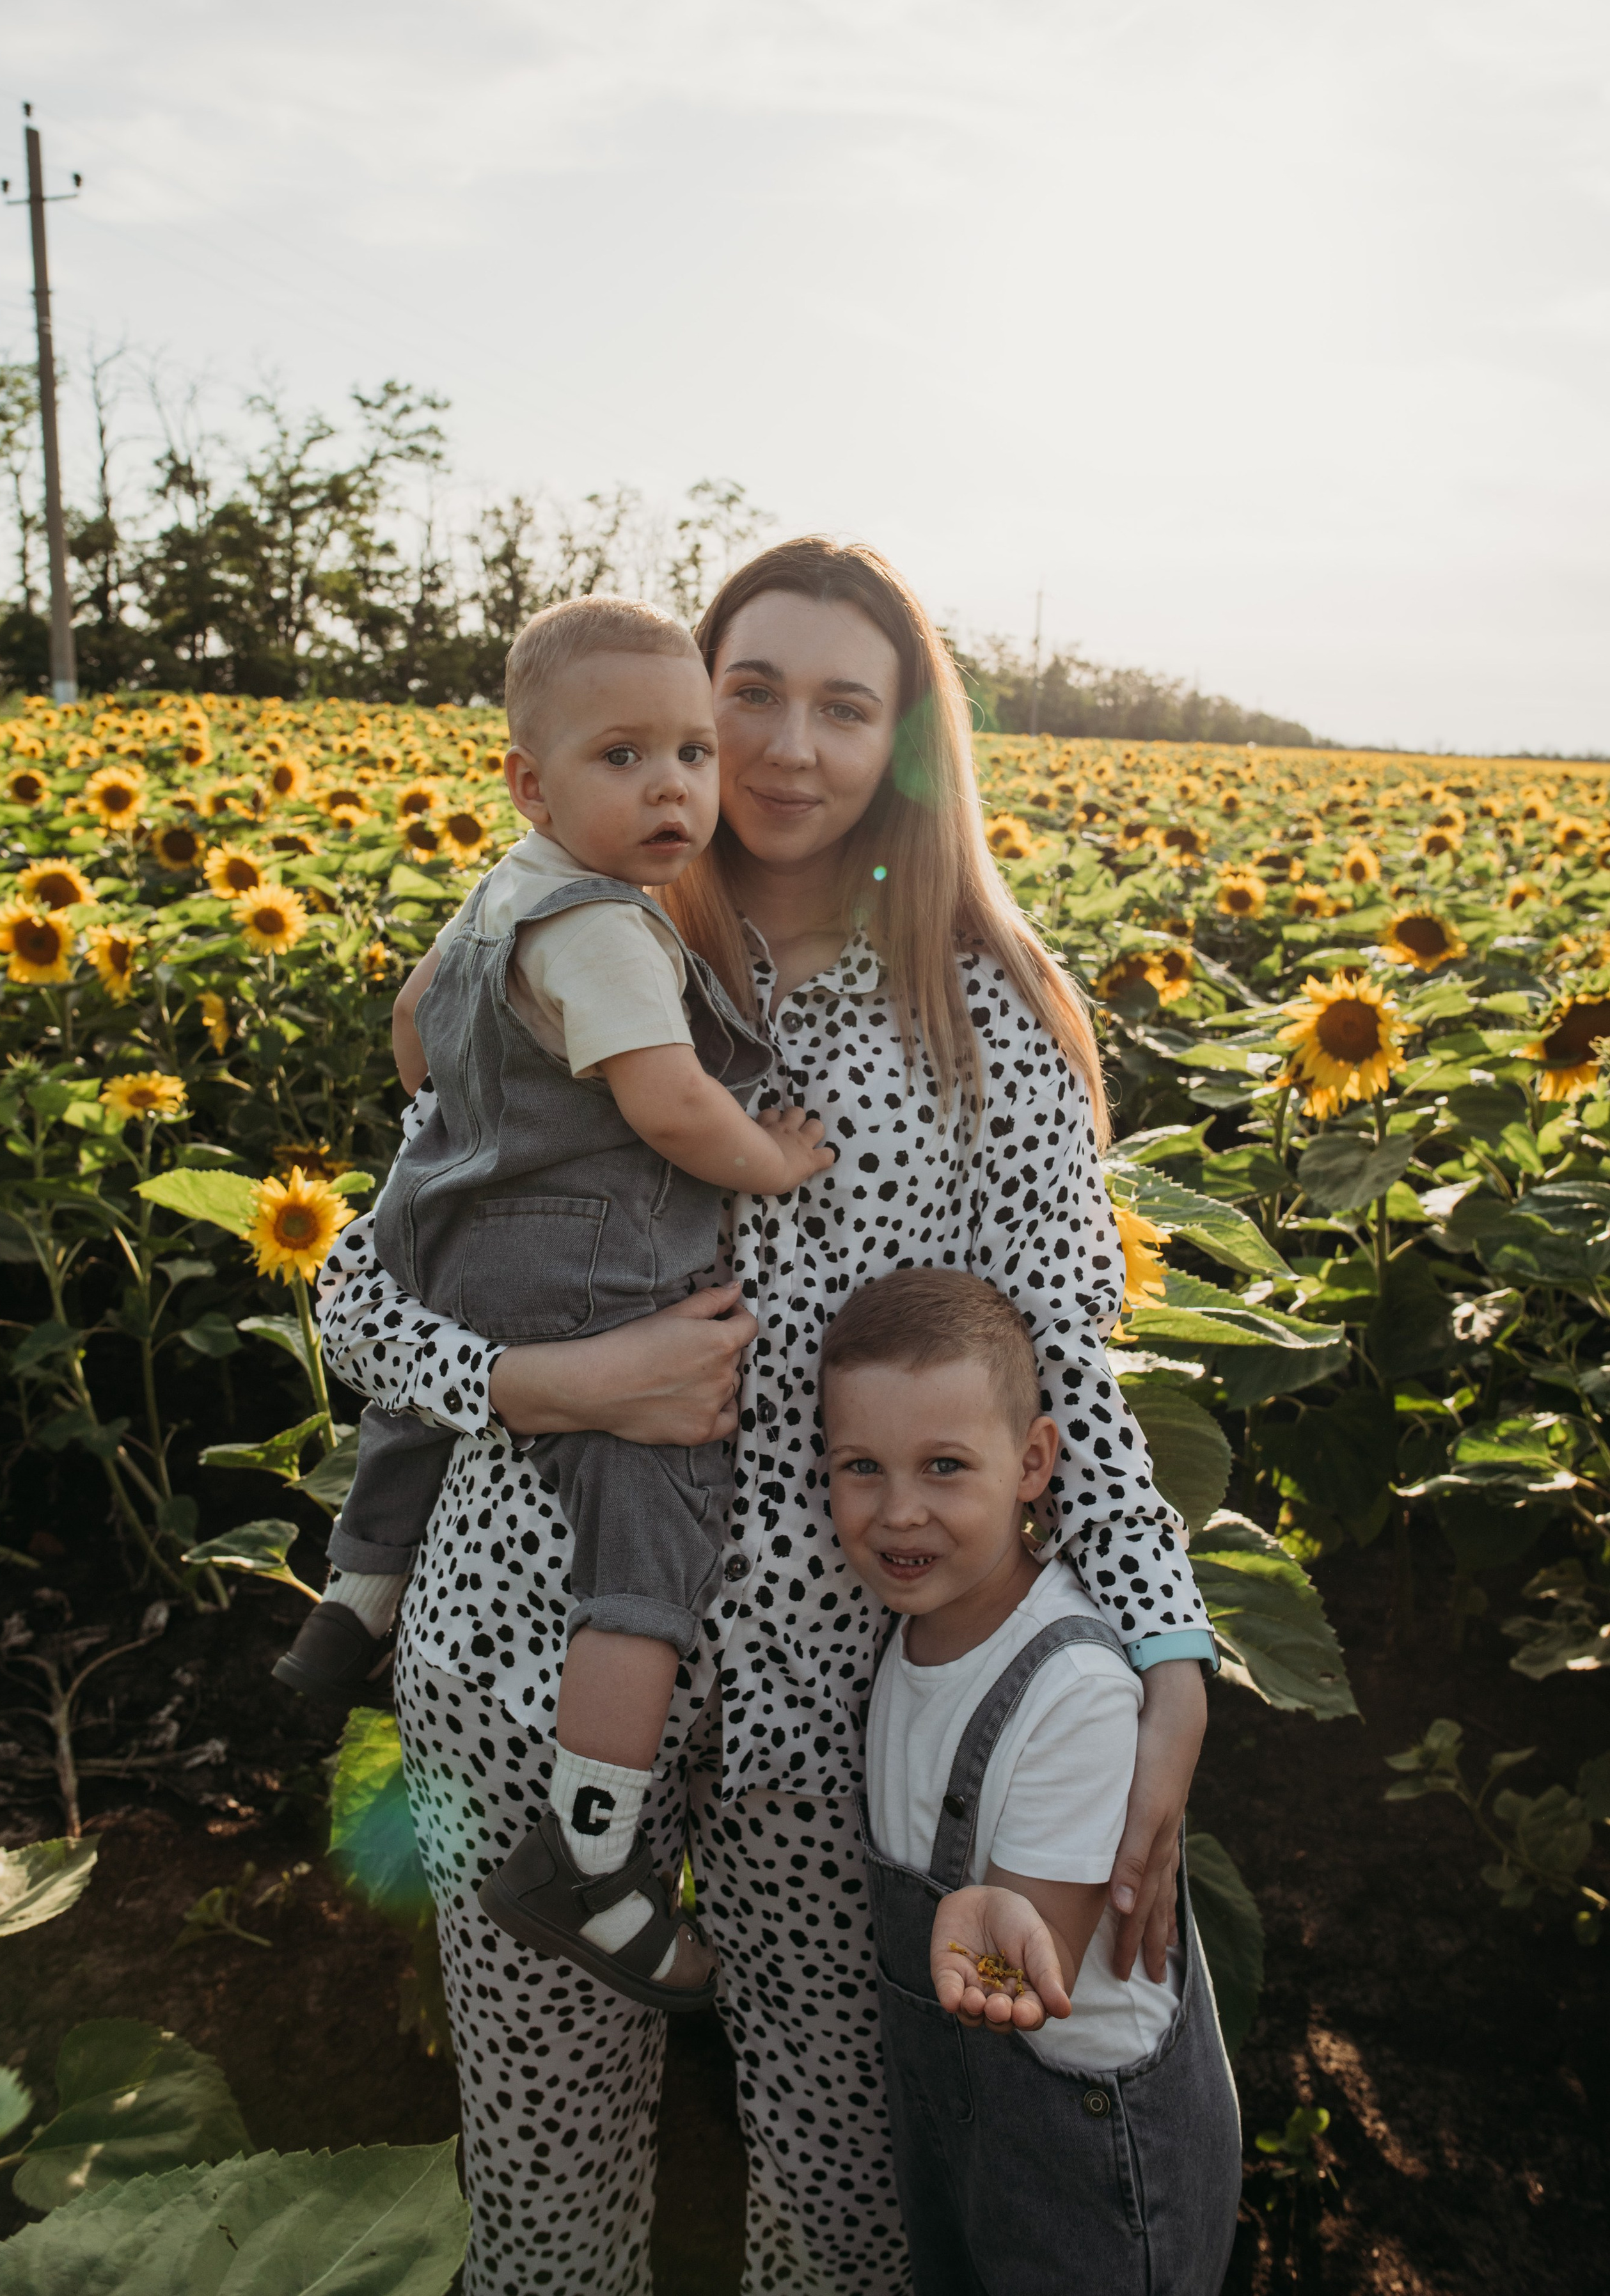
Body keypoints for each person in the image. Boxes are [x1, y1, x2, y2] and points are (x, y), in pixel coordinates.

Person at [318, 537, 1215, 2296]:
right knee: (549, 2195)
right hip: (525, 1652)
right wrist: (547, 1383)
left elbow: (1066, 1372)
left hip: (839, 1704)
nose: (793, 748)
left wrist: (1168, 1646)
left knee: (847, 2196)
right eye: (752, 697)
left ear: (907, 744)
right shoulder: (564, 962)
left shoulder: (991, 1021)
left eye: (846, 705)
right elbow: (361, 1296)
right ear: (682, 718)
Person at [278, 594, 834, 2005]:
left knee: (421, 1405)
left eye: (689, 754)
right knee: (646, 1555)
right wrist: (766, 1153)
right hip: (596, 1276)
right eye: (625, 757)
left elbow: (414, 1028)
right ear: (531, 780)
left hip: (457, 1227)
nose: (674, 787)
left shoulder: (504, 891)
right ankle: (587, 1858)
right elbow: (668, 1105)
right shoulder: (607, 932)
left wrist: (475, 1126)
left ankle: (353, 1596)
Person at [824, 1265, 1240, 2296]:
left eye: (946, 1466)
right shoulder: (904, 1642)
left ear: (1034, 1462)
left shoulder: (1077, 1692)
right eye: (862, 1467)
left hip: (1094, 2164)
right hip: (971, 2132)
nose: (900, 1512)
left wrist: (987, 1928)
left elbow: (1037, 1956)